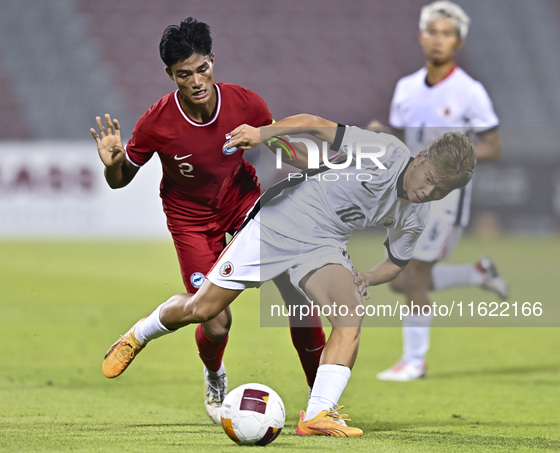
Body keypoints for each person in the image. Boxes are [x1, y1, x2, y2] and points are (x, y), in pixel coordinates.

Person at [101, 113, 477, 436]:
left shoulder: (416, 214)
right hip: (280, 223)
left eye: (441, 190)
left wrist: (367, 277)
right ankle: (139, 334)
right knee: (204, 310)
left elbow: (397, 260)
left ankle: (317, 414)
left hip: (324, 244)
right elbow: (315, 125)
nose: (428, 191)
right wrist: (262, 134)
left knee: (350, 313)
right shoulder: (385, 152)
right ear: (421, 156)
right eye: (429, 178)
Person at [90, 17, 326, 424]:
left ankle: (320, 404)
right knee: (214, 320)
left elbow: (283, 147)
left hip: (243, 202)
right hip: (191, 219)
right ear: (170, 75)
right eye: (185, 74)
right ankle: (208, 370)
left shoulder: (246, 104)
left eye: (203, 69)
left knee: (299, 295)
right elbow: (119, 181)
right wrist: (112, 165)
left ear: (213, 61)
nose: (197, 81)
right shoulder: (156, 123)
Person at [368, 1, 508, 382]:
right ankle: (477, 274)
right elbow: (403, 142)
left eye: (447, 33)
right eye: (433, 32)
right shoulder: (405, 88)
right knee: (400, 280)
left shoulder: (469, 91)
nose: (438, 40)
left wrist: (450, 162)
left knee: (411, 276)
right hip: (410, 197)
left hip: (445, 202)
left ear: (459, 41)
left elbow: (493, 146)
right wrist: (384, 135)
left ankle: (414, 361)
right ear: (421, 36)